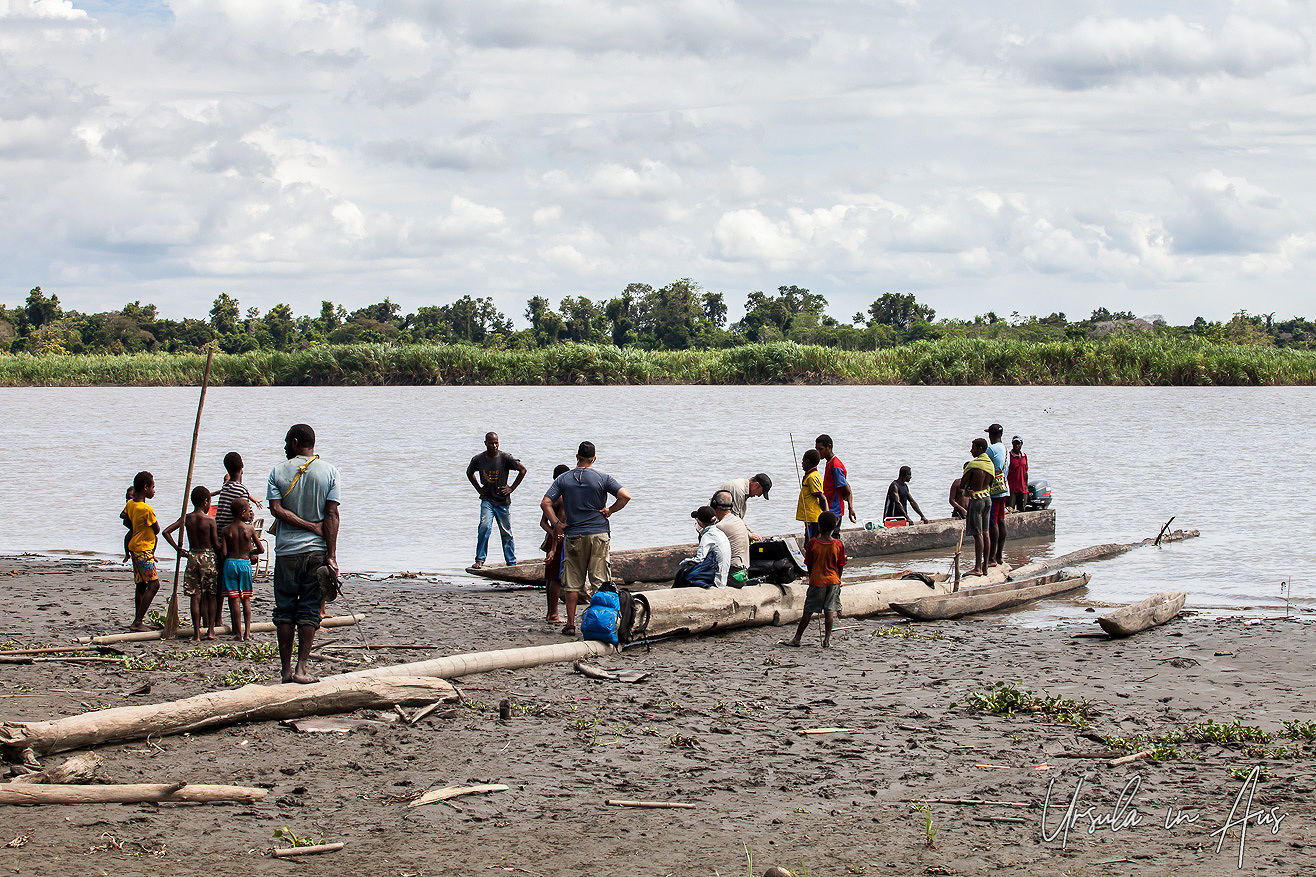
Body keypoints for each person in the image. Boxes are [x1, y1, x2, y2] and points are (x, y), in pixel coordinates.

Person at [268, 423, 341, 684]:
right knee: (309, 610)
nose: (285, 446)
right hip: (316, 552)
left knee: (285, 609)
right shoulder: (329, 472)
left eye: (287, 441)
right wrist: (331, 555)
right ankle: (301, 669)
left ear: (297, 441)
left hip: (286, 552)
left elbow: (276, 510)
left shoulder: (278, 471)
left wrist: (304, 526)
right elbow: (332, 515)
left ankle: (286, 670)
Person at [540, 442, 630, 637]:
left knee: (572, 582)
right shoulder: (602, 478)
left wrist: (556, 523)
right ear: (594, 459)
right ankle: (603, 622)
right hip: (598, 534)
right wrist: (610, 510)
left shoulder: (564, 479)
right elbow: (625, 496)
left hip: (574, 535)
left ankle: (571, 624)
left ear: (576, 457)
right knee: (600, 581)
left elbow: (545, 503)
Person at [162, 485, 220, 641]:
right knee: (211, 596)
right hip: (208, 558)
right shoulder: (210, 520)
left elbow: (166, 532)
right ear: (206, 502)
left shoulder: (187, 518)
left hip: (193, 557)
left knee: (195, 597)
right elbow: (216, 544)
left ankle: (196, 634)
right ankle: (210, 631)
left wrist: (178, 549)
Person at [466, 432, 527, 570]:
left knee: (506, 532)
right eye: (491, 443)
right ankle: (480, 560)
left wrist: (511, 488)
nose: (494, 446)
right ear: (485, 443)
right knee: (484, 527)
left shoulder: (505, 458)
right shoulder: (478, 459)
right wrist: (479, 490)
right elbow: (469, 473)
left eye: (496, 443)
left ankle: (511, 562)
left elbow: (522, 470)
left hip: (502, 501)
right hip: (487, 500)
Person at [786, 511, 845, 648]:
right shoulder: (838, 544)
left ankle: (797, 638)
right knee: (829, 611)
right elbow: (840, 565)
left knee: (808, 611)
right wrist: (839, 579)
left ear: (819, 526)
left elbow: (809, 564)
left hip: (817, 581)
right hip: (833, 581)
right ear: (835, 526)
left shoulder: (813, 543)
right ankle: (827, 640)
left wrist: (812, 576)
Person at [121, 471, 161, 632]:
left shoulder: (130, 504)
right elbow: (157, 529)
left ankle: (139, 620)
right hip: (144, 550)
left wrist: (135, 527)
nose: (154, 491)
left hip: (134, 549)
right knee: (154, 584)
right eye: (152, 487)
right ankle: (138, 621)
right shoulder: (146, 509)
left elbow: (125, 518)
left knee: (141, 585)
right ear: (145, 488)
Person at [218, 496, 262, 641]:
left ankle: (237, 633)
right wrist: (250, 552)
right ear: (243, 512)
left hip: (230, 563)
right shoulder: (249, 529)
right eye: (249, 511)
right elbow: (260, 549)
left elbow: (223, 553)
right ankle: (247, 633)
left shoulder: (226, 530)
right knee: (246, 599)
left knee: (234, 600)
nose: (250, 513)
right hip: (244, 564)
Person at [539, 463, 570, 623]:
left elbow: (543, 523)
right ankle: (554, 614)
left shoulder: (551, 497)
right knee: (556, 578)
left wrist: (552, 533)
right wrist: (558, 534)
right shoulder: (564, 498)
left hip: (553, 537)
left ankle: (550, 612)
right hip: (560, 540)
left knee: (551, 577)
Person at [961, 438, 996, 577]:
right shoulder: (990, 464)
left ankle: (977, 568)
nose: (971, 450)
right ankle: (985, 567)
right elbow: (991, 484)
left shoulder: (974, 465)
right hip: (987, 499)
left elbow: (963, 484)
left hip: (976, 500)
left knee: (978, 534)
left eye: (973, 448)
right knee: (986, 532)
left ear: (980, 449)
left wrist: (967, 490)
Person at [674, 506, 731, 588]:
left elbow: (699, 559)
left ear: (700, 522)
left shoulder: (708, 536)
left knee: (683, 573)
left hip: (716, 581)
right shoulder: (720, 533)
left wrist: (684, 562)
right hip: (723, 578)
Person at [815, 434, 856, 535]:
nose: (818, 452)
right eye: (816, 449)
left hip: (834, 511)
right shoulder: (830, 462)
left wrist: (850, 507)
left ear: (829, 447)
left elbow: (847, 488)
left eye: (820, 449)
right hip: (829, 509)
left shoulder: (835, 466)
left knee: (832, 540)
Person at [215, 452, 262, 532]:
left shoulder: (225, 487)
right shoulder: (241, 490)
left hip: (220, 534)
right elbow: (247, 517)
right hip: (234, 535)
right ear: (242, 466)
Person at [715, 473, 772, 540]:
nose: (759, 495)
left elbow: (739, 518)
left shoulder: (743, 490)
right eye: (761, 492)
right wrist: (749, 535)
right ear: (756, 485)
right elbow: (733, 518)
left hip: (722, 528)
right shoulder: (739, 490)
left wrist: (752, 533)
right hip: (713, 529)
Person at [984, 424, 1010, 567]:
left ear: (990, 435)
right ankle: (999, 556)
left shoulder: (991, 449)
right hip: (1004, 488)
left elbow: (982, 463)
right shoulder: (1006, 449)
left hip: (994, 491)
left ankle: (992, 558)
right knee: (1001, 520)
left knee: (993, 523)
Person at [710, 490, 750, 579]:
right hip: (743, 574)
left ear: (713, 504)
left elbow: (709, 553)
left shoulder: (720, 527)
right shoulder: (738, 520)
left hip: (731, 575)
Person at [795, 449, 827, 540]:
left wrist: (826, 515)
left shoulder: (812, 477)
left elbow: (821, 497)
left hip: (812, 517)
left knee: (811, 540)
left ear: (808, 461)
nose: (802, 464)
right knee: (809, 539)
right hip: (809, 517)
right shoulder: (810, 475)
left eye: (803, 461)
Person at [1008, 436, 1030, 512]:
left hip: (1022, 489)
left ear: (1021, 444)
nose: (1016, 446)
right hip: (1012, 489)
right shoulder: (1009, 456)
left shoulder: (1024, 456)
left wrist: (1026, 488)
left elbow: (1026, 472)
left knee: (1022, 510)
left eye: (1018, 444)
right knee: (1009, 510)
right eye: (1015, 443)